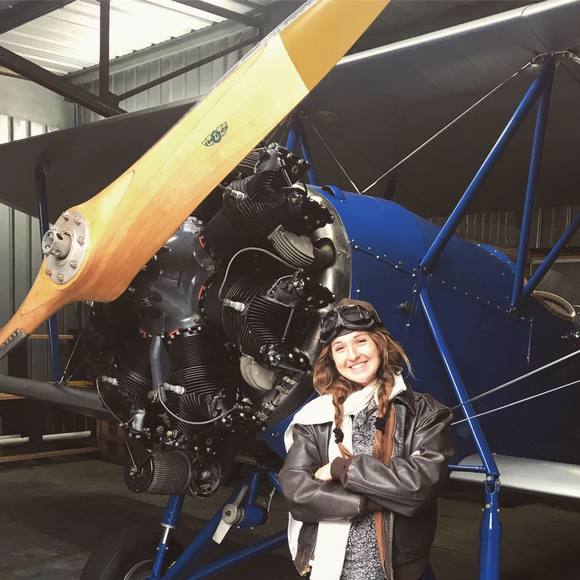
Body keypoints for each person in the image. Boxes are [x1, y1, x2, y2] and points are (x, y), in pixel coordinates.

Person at [279, 299, 453, 580]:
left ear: (379, 344)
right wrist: (376, 499)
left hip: (400, 572)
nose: (352, 355)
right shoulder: (315, 417)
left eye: (360, 341)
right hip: (330, 571)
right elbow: (297, 493)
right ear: (331, 359)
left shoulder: (426, 412)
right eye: (340, 348)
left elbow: (420, 486)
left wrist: (340, 469)